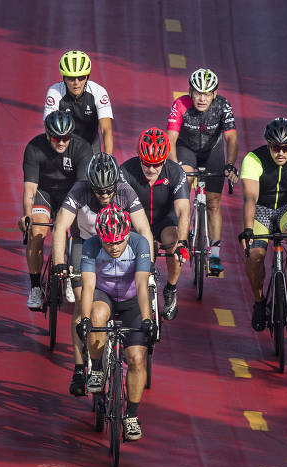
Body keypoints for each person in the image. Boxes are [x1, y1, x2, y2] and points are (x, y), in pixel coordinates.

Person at [52, 152, 154, 397]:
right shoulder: (78, 191)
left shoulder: (125, 191)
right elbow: (60, 227)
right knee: (81, 304)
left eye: (109, 191)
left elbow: (143, 229)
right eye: (100, 192)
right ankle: (79, 368)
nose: (106, 196)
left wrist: (148, 263)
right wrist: (58, 262)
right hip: (86, 244)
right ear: (90, 185)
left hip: (116, 242)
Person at [76, 204, 156, 441]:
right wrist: (86, 319)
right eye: (108, 242)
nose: (113, 247)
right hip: (105, 295)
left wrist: (147, 319)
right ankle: (98, 369)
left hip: (132, 299)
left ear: (127, 234)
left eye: (119, 242)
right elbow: (88, 285)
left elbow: (142, 286)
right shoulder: (91, 246)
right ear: (99, 237)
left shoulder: (139, 244)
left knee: (136, 359)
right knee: (97, 315)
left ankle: (131, 415)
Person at [238, 117, 287, 331]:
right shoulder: (253, 159)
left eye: (286, 147)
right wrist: (247, 230)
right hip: (261, 208)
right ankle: (259, 301)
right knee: (256, 256)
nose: (280, 153)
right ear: (267, 144)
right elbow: (250, 199)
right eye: (275, 147)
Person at [166, 68, 239, 275]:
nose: (202, 98)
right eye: (198, 92)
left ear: (214, 94)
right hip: (186, 149)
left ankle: (214, 254)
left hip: (212, 152)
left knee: (214, 203)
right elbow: (171, 139)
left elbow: (231, 139)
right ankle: (182, 232)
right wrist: (174, 167)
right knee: (184, 185)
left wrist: (230, 164)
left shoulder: (223, 105)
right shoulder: (180, 104)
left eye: (207, 93)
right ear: (190, 91)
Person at [19, 110, 93, 310]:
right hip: (44, 193)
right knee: (37, 233)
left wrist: (67, 218)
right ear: (46, 134)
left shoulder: (83, 149)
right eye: (56, 138)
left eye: (65, 138)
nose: (61, 142)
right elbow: (30, 189)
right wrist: (27, 214)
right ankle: (35, 287)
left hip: (72, 195)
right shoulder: (34, 148)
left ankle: (71, 273)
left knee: (76, 232)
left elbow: (81, 190)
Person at [120, 127, 191, 320]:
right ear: (139, 157)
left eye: (156, 164)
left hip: (164, 220)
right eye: (146, 163)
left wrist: (183, 243)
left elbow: (183, 211)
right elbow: (119, 209)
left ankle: (171, 288)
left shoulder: (176, 173)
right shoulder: (126, 171)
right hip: (136, 220)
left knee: (174, 242)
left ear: (165, 160)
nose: (151, 169)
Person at [43, 50, 114, 155]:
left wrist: (108, 158)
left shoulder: (98, 92)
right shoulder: (55, 92)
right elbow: (49, 128)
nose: (76, 83)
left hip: (90, 146)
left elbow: (106, 129)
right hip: (63, 144)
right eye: (71, 78)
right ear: (64, 78)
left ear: (87, 77)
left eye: (81, 78)